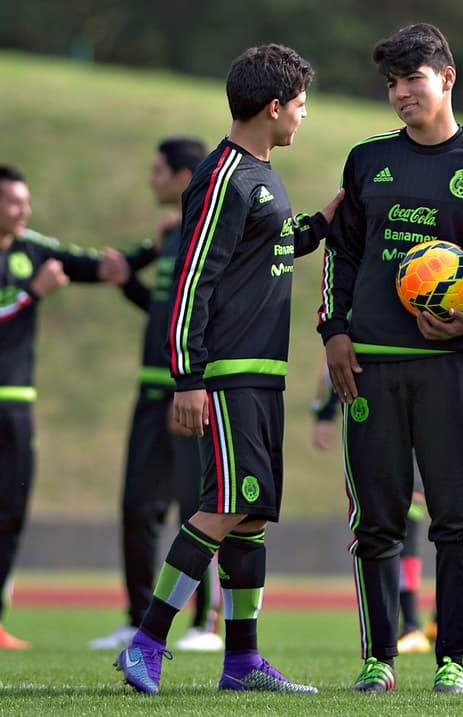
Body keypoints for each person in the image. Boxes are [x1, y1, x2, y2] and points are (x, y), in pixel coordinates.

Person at [114, 43, 342, 696]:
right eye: (300, 104)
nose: (304, 115)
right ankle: (146, 641)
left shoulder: (262, 175)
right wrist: (187, 376)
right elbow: (191, 279)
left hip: (263, 371)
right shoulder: (224, 176)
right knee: (225, 505)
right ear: (274, 107)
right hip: (227, 372)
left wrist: (327, 217)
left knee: (251, 516)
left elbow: (271, 244)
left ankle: (242, 661)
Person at [318, 22, 463, 695]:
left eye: (412, 79)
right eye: (391, 83)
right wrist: (334, 332)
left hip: (451, 368)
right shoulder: (366, 160)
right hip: (372, 364)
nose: (400, 93)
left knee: (456, 520)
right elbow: (343, 253)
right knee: (376, 521)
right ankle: (379, 656)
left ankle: (453, 661)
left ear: (446, 78)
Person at [0, 165, 135, 648]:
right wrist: (32, 293)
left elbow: (98, 266)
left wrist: (154, 248)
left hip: (18, 405)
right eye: (14, 204)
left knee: (9, 514)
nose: (24, 212)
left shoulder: (33, 247)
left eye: (26, 203)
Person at [89, 137, 225, 654]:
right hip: (149, 397)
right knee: (136, 508)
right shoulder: (170, 235)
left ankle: (203, 626)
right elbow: (168, 313)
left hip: (185, 395)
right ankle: (137, 617)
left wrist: (190, 385)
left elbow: (206, 317)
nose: (151, 180)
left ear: (184, 174)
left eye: (158, 171)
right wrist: (128, 285)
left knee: (199, 509)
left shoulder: (201, 231)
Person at [310, 366, 432, 654]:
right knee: (384, 525)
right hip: (379, 426)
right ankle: (401, 629)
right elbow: (334, 362)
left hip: (418, 425)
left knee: (416, 526)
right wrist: (325, 414)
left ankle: (416, 624)